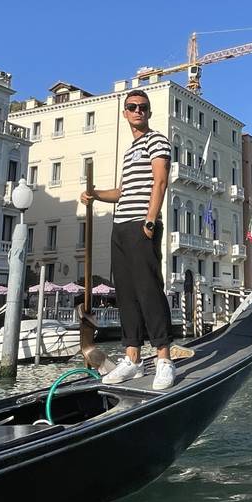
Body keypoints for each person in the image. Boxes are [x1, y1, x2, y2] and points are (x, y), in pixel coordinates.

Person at [81, 89, 175, 390]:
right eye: (132, 107)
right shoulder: (129, 150)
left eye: (143, 107)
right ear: (125, 113)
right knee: (126, 295)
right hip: (120, 227)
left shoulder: (157, 140)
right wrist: (95, 195)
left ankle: (163, 358)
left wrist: (150, 220)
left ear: (148, 112)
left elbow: (160, 181)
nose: (138, 111)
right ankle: (132, 359)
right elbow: (122, 192)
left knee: (149, 291)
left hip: (141, 225)